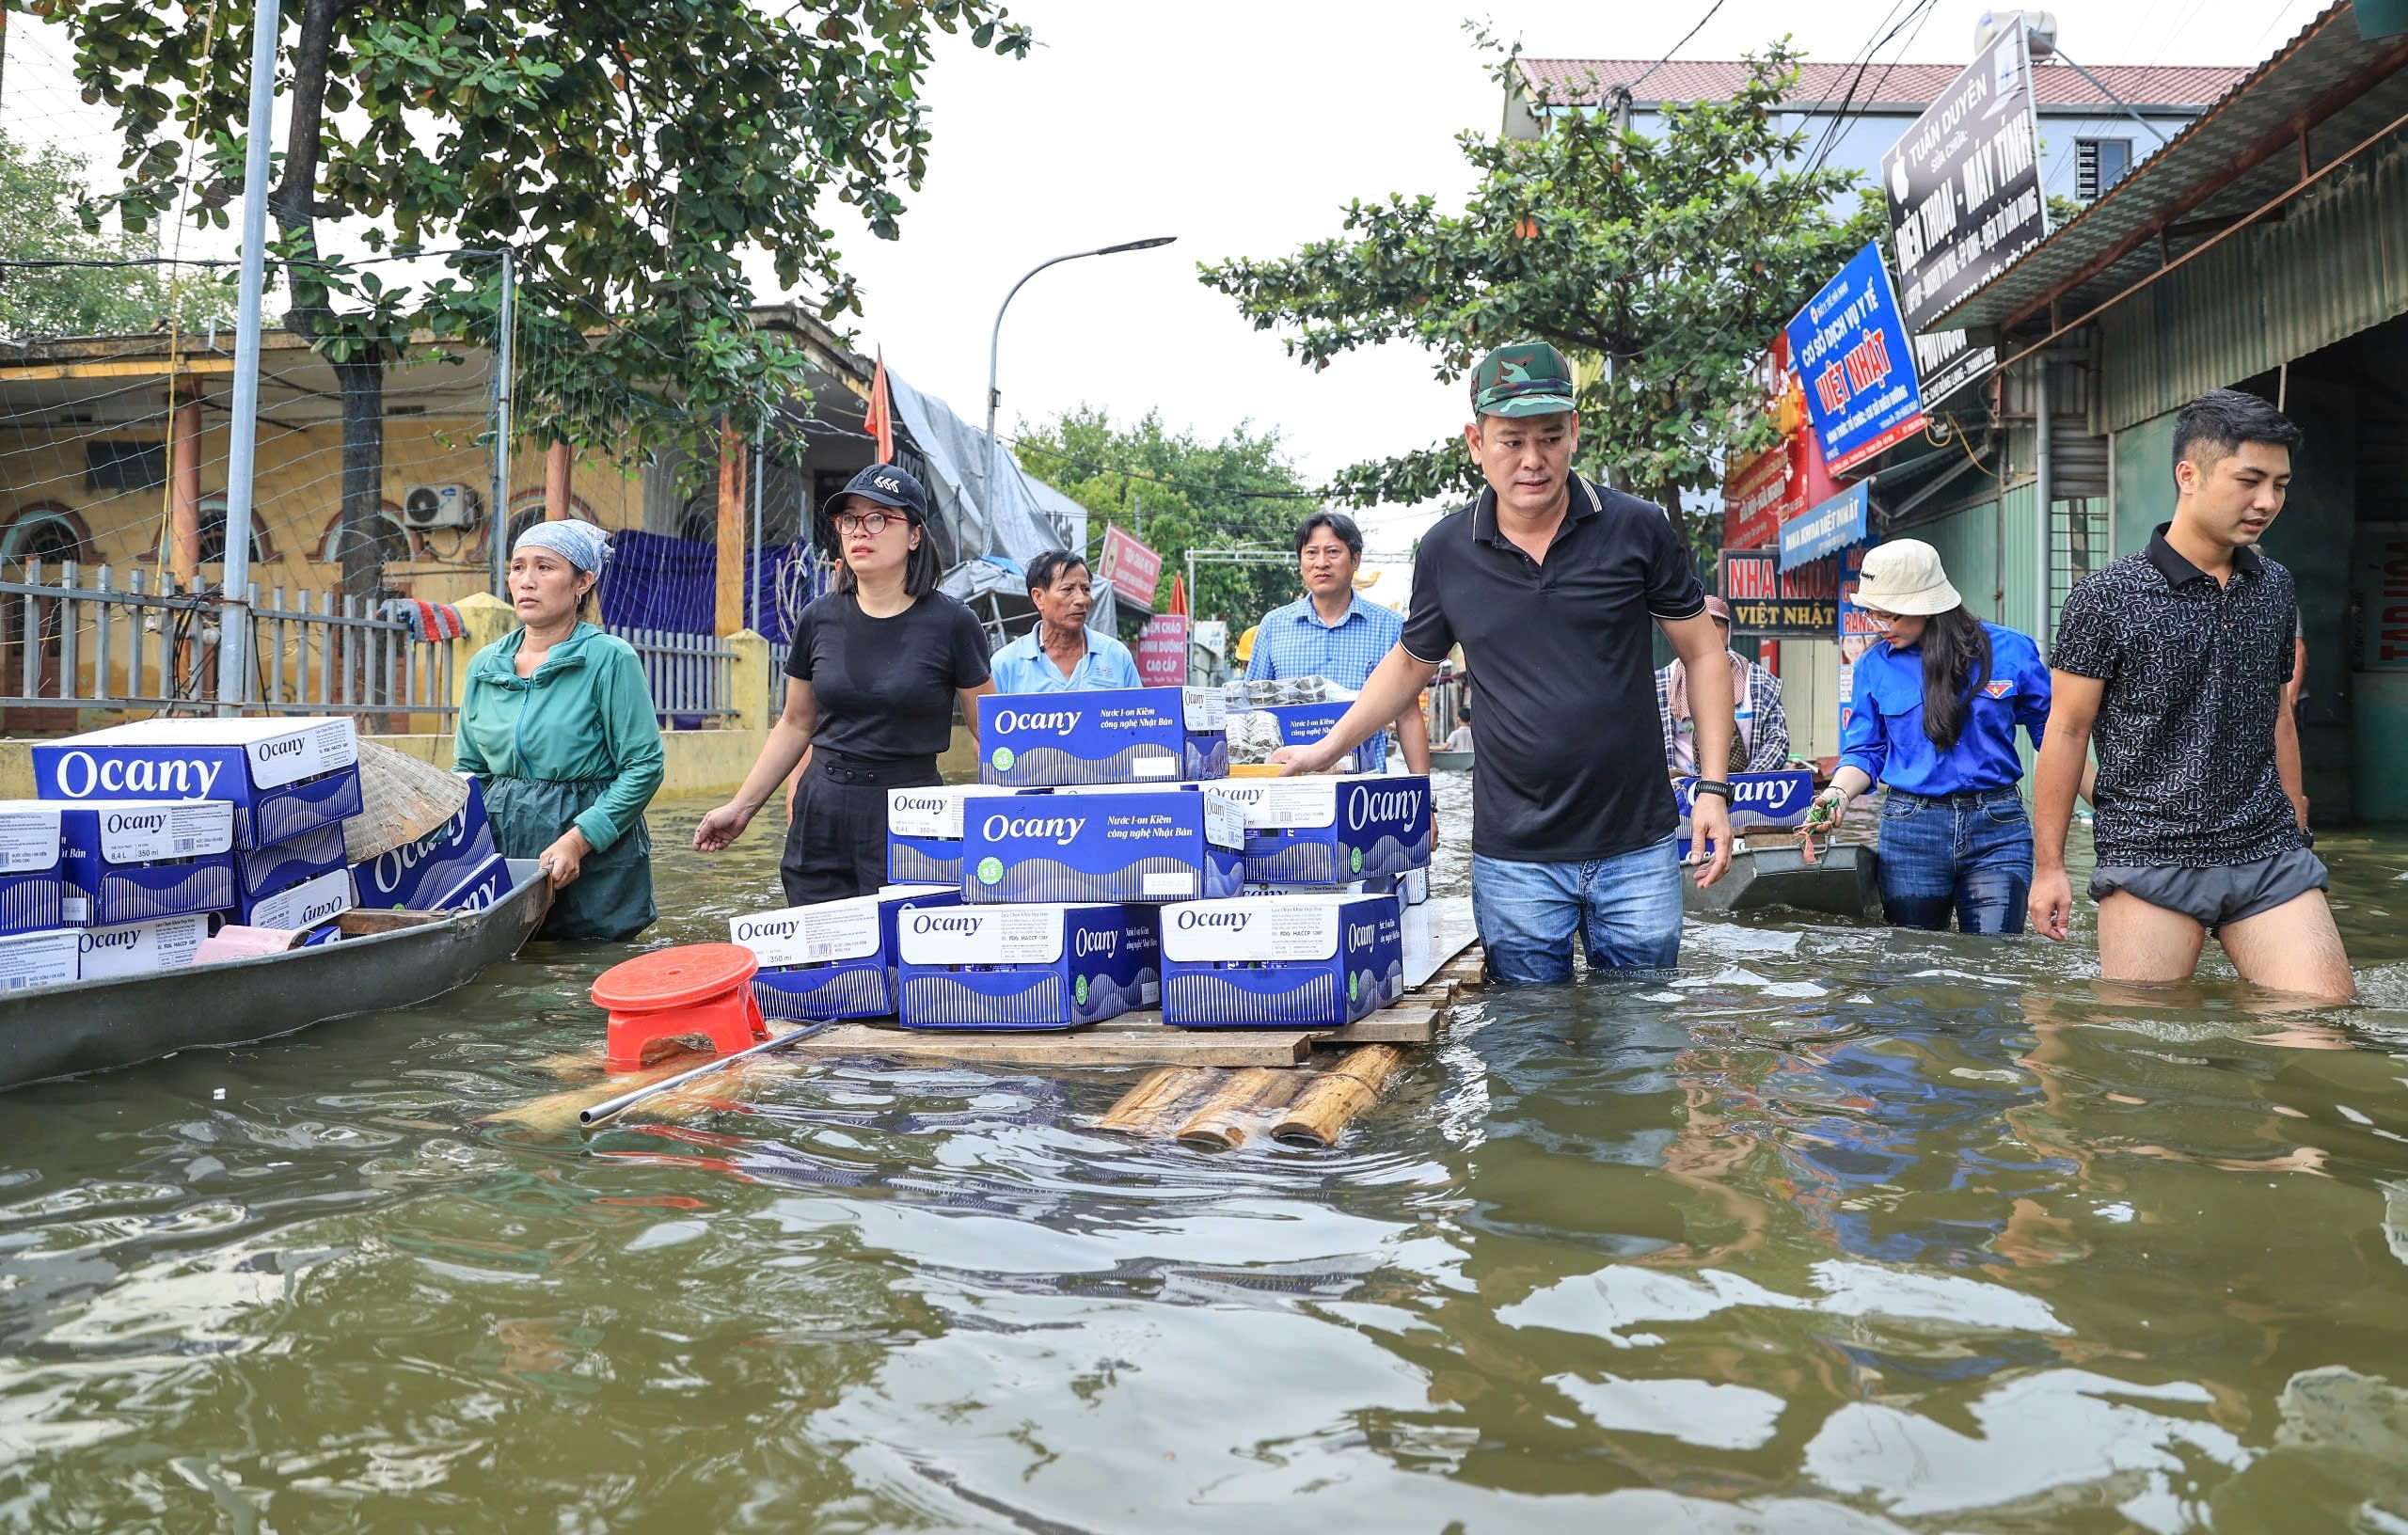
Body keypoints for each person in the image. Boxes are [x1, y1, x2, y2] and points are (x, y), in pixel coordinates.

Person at [1275, 340, 1734, 984]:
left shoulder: (1638, 528)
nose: (1532, 460)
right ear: (1475, 441)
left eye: (1549, 437)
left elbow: (1704, 652)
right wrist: (1325, 749)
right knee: (1526, 1048)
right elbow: (1411, 664)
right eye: (1511, 441)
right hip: (1515, 857)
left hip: (1637, 846)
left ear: (1574, 431)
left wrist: (1712, 789)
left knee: (1643, 1042)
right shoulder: (1445, 549)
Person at [2030, 389, 2351, 1000]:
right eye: (2250, 480)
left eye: (2280, 485)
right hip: (2149, 856)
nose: (2268, 502)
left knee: (2321, 1024)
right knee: (2146, 1056)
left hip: (2265, 849)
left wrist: (2295, 809)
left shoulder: (2274, 587)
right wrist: (2049, 868)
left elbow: (2277, 709)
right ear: (2189, 474)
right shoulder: (2106, 596)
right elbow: (2067, 731)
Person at [693, 465, 995, 903]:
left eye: (878, 518)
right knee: (818, 956)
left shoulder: (954, 623)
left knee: (905, 954)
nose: (860, 531)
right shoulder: (819, 617)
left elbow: (991, 731)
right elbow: (796, 724)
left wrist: (1012, 821)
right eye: (849, 520)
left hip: (912, 812)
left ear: (914, 535)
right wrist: (742, 808)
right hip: (823, 808)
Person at [1803, 540, 2051, 933]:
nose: (1877, 626)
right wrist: (1837, 794)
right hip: (1910, 830)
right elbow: (1866, 751)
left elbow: (2057, 741)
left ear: (1927, 606)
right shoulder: (1873, 667)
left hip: (1998, 827)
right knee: (1914, 968)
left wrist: (2109, 808)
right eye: (1871, 614)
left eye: (1889, 615)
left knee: (1995, 965)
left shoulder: (2010, 651)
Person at [454, 520, 665, 941]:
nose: (526, 581)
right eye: (518, 567)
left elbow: (644, 766)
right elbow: (468, 767)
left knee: (589, 971)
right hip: (505, 845)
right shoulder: (485, 665)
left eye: (545, 568)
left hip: (595, 852)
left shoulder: (609, 659)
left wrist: (579, 840)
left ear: (582, 582)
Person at [1245, 511, 1430, 774]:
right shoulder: (1273, 626)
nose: (1321, 563)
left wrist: (1425, 799)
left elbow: (1408, 715)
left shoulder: (1389, 627)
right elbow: (1252, 709)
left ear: (1355, 560)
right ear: (1300, 561)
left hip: (1365, 792)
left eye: (1333, 552)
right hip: (1289, 786)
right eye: (1311, 553)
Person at [1656, 594, 1790, 776]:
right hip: (1678, 795)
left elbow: (1777, 740)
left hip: (1748, 797)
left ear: (1729, 632)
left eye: (1716, 625)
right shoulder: (1661, 684)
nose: (1708, 632)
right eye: (1700, 625)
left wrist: (1746, 783)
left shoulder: (1758, 681)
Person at [990, 549, 1141, 693]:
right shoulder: (1005, 664)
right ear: (1039, 597)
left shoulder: (1116, 656)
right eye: (1068, 589)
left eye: (1086, 589)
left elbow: (1139, 716)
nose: (1081, 599)